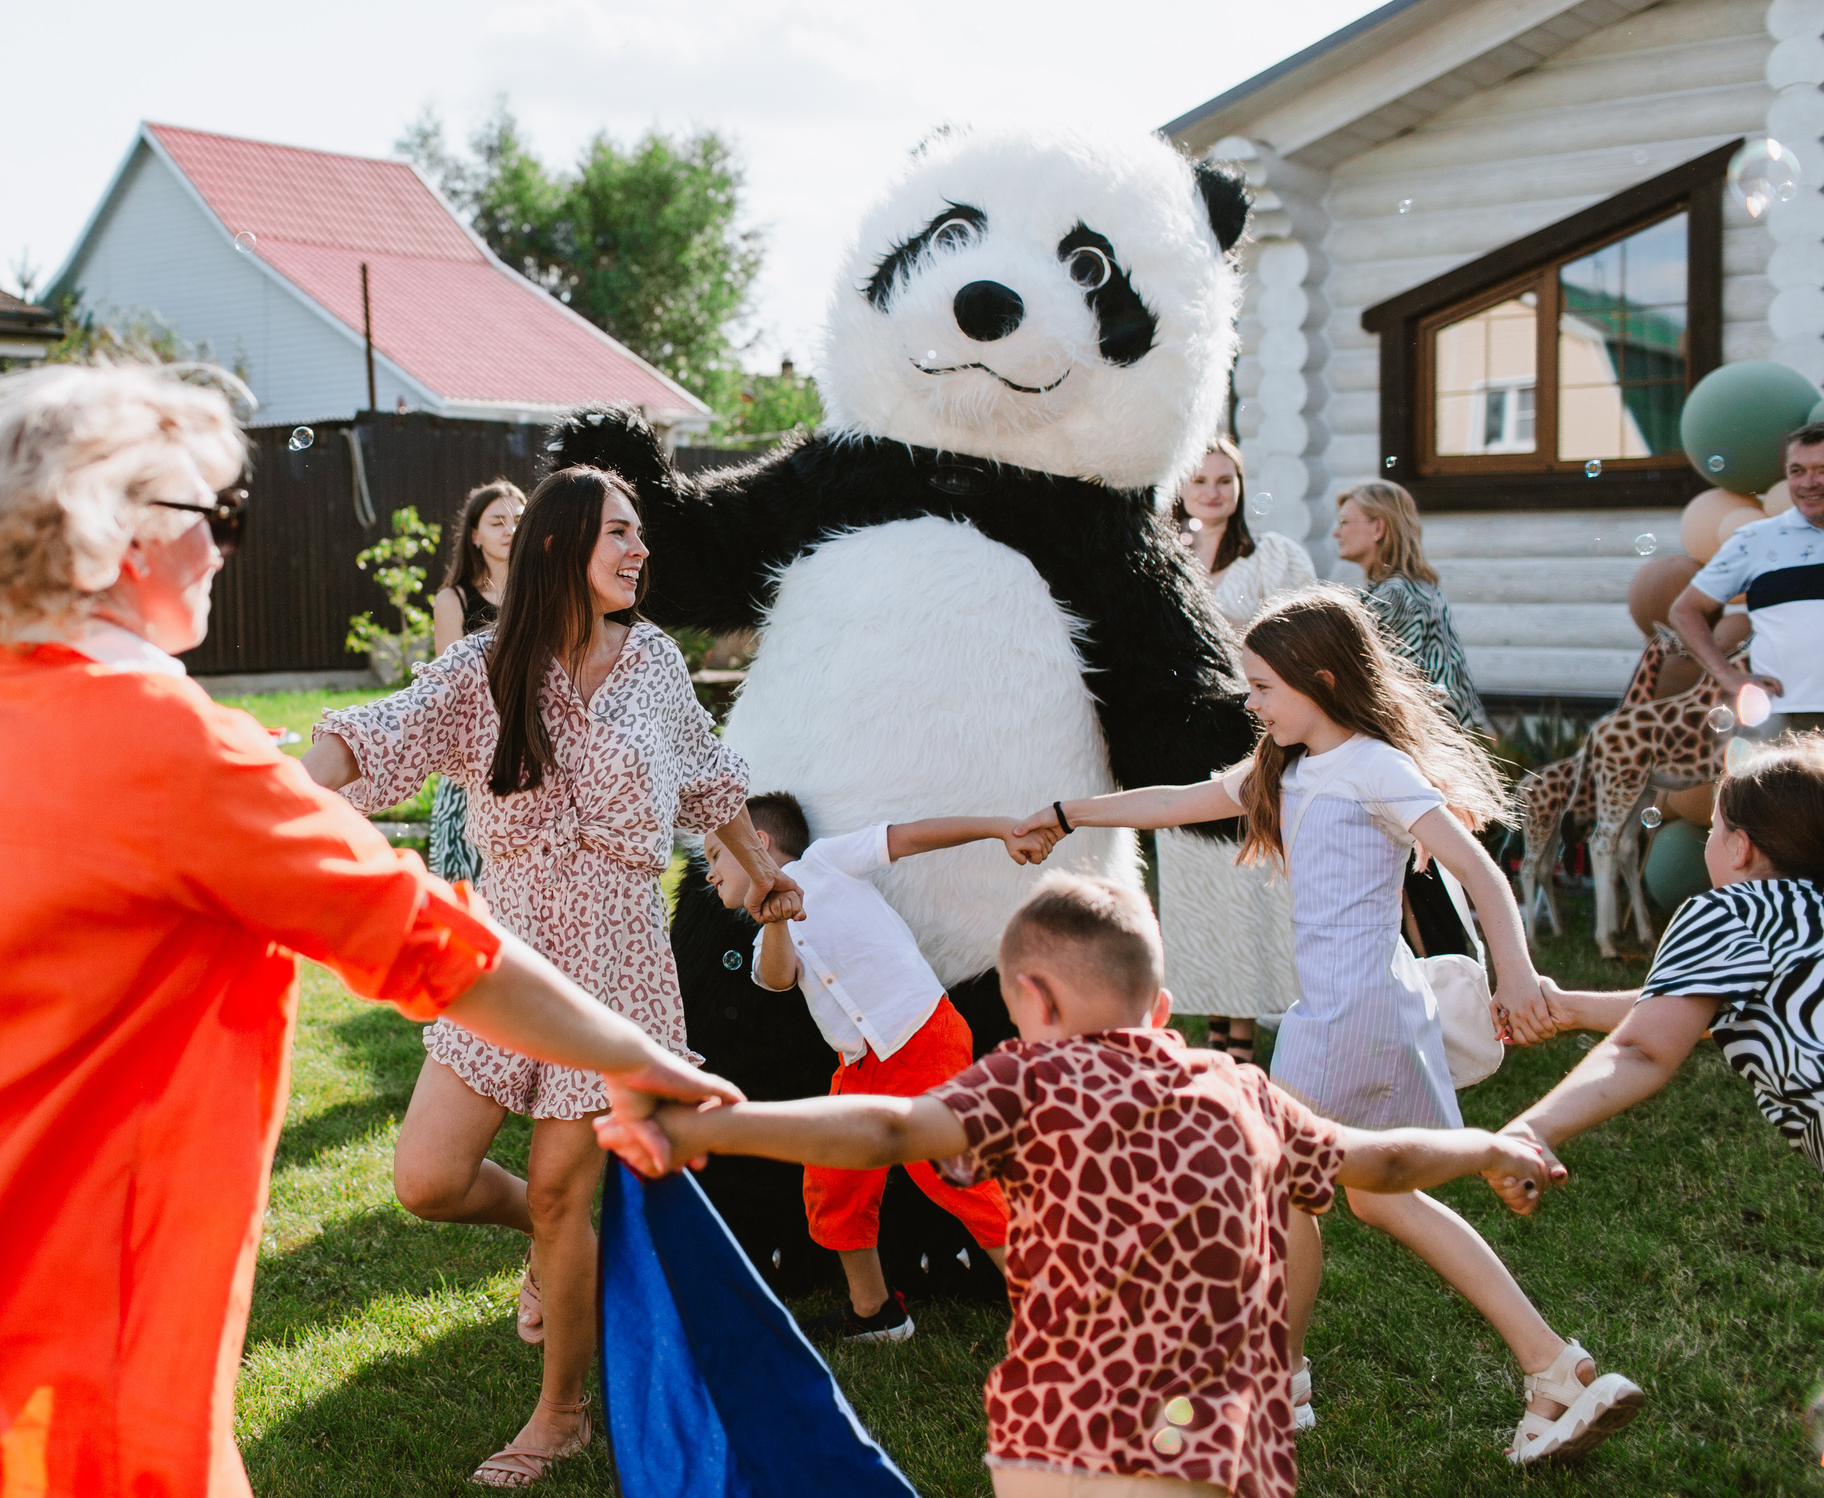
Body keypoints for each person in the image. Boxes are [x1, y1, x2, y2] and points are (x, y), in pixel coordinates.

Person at [0, 365, 743, 1498]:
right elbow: (440, 945)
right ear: (123, 536)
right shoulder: (172, 747)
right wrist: (648, 1063)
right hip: (39, 1371)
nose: (225, 551)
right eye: (220, 516)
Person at [596, 871, 1566, 1498]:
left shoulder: (1029, 1077)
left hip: (1063, 1438)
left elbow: (887, 1128)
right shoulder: (1243, 1089)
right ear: (1164, 1004)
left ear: (1034, 1002)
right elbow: (1382, 1161)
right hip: (1219, 1441)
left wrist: (705, 1127)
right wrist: (1486, 1148)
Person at [1015, 587, 1642, 1465]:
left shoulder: (1372, 765)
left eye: (1264, 686)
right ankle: (1555, 1369)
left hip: (1351, 1015)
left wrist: (1517, 971)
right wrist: (1069, 814)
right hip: (1373, 1010)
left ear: (1322, 678)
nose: (1251, 701)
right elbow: (1179, 801)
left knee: (1274, 1183)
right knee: (1380, 1195)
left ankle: (1277, 1381)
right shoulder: (1295, 765)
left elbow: (1478, 870)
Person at [304, 466, 802, 1486]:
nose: (637, 551)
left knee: (563, 1191)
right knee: (428, 1179)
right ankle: (558, 1243)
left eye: (640, 535)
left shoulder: (655, 660)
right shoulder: (489, 664)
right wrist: (279, 800)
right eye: (617, 533)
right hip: (508, 954)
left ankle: (562, 1411)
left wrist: (764, 878)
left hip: (616, 962)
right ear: (555, 545)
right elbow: (373, 731)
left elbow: (708, 779)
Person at [705, 790, 1040, 1343]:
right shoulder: (769, 933)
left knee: (957, 1177)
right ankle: (876, 1313)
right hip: (862, 1065)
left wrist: (999, 825)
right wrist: (781, 922)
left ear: (757, 844)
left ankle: (1056, 1315)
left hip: (922, 1037)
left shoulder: (828, 862)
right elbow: (779, 976)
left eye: (716, 857)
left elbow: (909, 835)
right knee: (834, 1180)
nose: (710, 875)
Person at [1494, 734, 1824, 1185]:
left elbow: (1643, 1048)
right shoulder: (1805, 920)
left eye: (1712, 830)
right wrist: (1570, 1008)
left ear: (1739, 848)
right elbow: (1694, 1008)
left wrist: (1532, 1129)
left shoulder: (1729, 912)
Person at [1162, 438, 1314, 1060]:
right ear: (1183, 487)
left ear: (1240, 486)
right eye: (1200, 480)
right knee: (1203, 895)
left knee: (1250, 890)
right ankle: (1218, 1035)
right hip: (1187, 741)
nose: (1213, 491)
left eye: (1225, 480)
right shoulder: (1166, 558)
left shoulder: (1271, 557)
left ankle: (1243, 1050)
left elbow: (1308, 632)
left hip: (1255, 738)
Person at [1332, 476, 1486, 959]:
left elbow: (1376, 683)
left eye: (1345, 522)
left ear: (1377, 528)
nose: (1336, 532)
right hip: (1446, 752)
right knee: (1435, 884)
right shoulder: (1417, 588)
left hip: (1415, 756)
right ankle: (1450, 980)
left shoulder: (1392, 596)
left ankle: (1443, 988)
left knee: (1418, 885)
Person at [1672, 423, 1824, 736]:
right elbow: (1685, 611)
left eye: (1821, 470)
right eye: (1797, 470)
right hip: (1781, 721)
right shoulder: (1756, 539)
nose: (1809, 483)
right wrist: (1727, 675)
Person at [425, 478, 524, 883]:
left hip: (531, 752)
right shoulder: (454, 601)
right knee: (466, 894)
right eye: (497, 522)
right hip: (475, 759)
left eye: (518, 520)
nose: (510, 530)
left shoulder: (540, 595)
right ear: (474, 535)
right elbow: (454, 689)